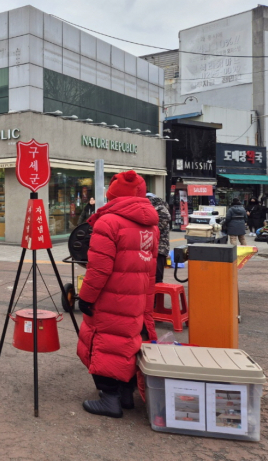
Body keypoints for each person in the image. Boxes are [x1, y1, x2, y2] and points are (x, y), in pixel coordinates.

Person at [76, 170, 159, 418]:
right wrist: (147, 302)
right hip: (137, 296)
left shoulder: (108, 222)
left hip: (111, 297)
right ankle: (125, 395)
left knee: (105, 342)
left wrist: (87, 298)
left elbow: (98, 268)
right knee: (130, 340)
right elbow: (152, 269)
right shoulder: (151, 225)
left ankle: (109, 398)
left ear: (112, 194)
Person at [146, 193, 171, 283]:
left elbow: (166, 217)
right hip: (153, 247)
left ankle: (157, 297)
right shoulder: (156, 205)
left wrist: (149, 229)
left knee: (156, 278)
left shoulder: (158, 206)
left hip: (159, 248)